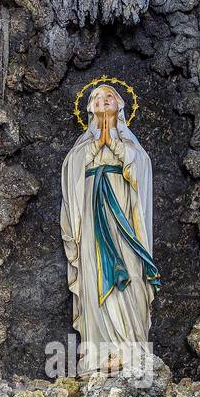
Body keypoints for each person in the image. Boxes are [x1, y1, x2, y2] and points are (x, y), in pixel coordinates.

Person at [60, 82, 159, 376]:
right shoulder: (79, 149)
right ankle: (98, 352)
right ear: (89, 108)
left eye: (109, 97)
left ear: (120, 105)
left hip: (124, 221)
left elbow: (141, 173)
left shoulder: (132, 147)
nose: (103, 101)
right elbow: (70, 178)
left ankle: (132, 349)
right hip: (91, 221)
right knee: (93, 274)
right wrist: (95, 145)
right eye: (97, 98)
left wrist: (113, 142)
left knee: (129, 273)